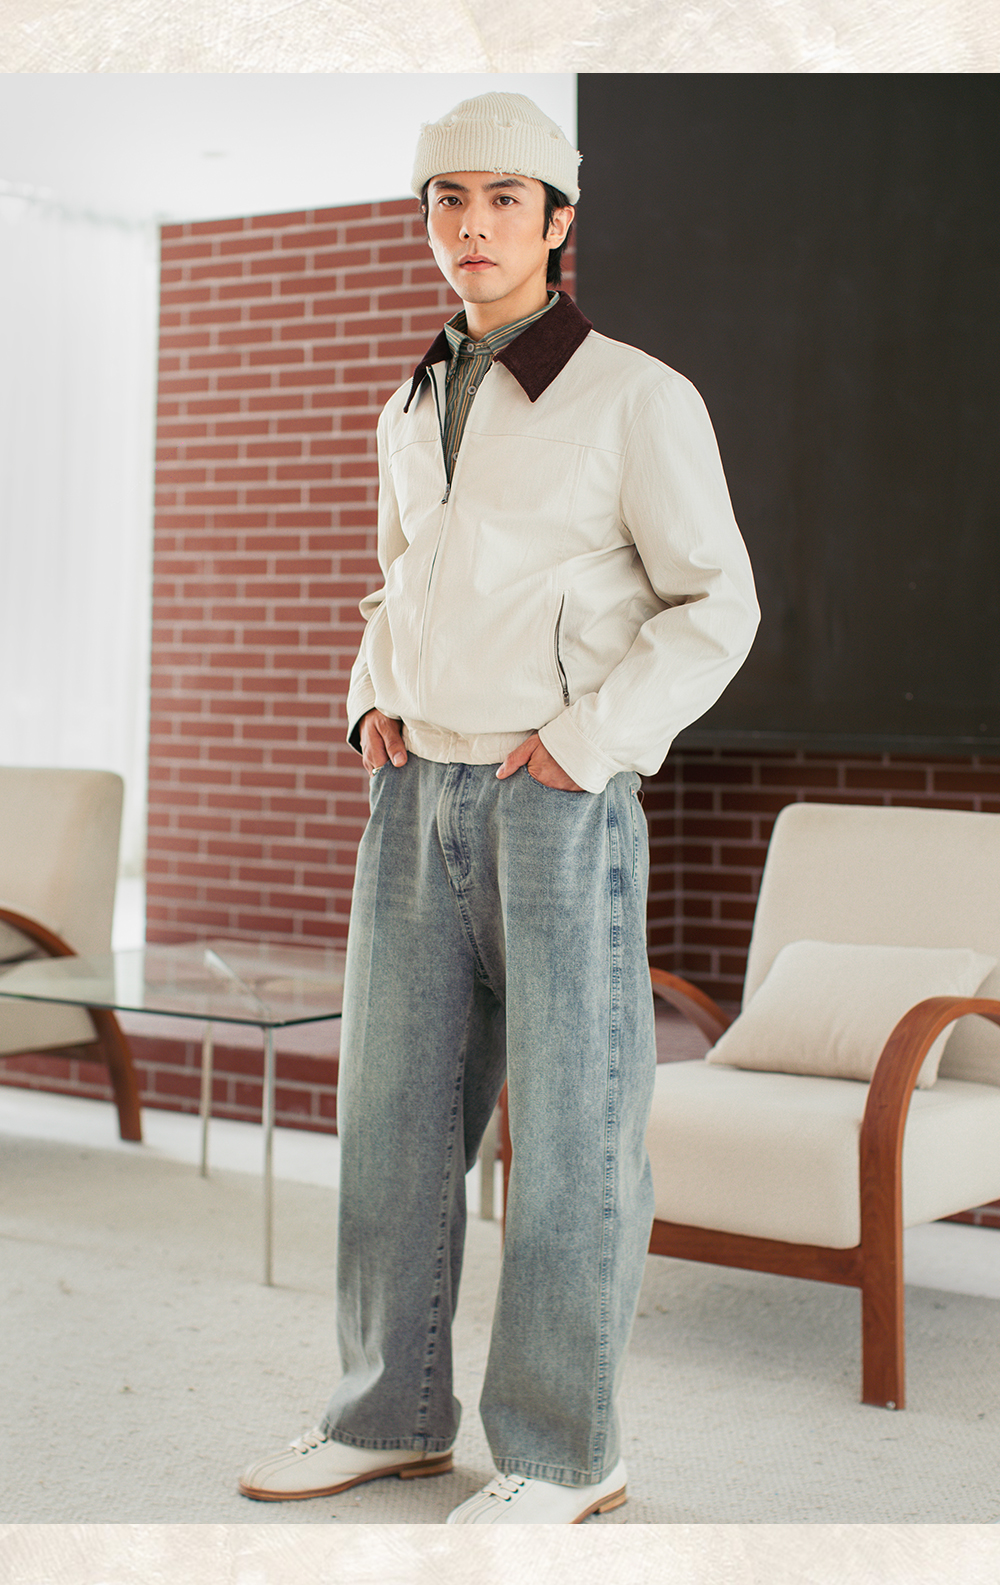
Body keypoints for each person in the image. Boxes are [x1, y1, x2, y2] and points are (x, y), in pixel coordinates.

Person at [239, 91, 759, 1524]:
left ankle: (566, 1455)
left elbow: (717, 605)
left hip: (556, 801)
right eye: (447, 199)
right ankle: (386, 1415)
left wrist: (589, 743)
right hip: (417, 794)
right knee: (391, 1124)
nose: (471, 225)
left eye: (504, 199)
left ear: (559, 221)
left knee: (575, 1139)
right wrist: (370, 697)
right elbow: (396, 579)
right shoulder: (410, 403)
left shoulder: (637, 397)